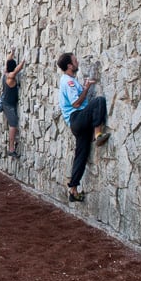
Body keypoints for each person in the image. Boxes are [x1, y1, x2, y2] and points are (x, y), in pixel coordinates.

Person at [57, 52, 109, 202]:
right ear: (69, 65)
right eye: (75, 60)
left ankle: (73, 190)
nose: (77, 62)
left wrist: (84, 87)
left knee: (81, 155)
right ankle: (98, 134)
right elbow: (76, 103)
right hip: (77, 118)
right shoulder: (68, 82)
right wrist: (86, 89)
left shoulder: (69, 80)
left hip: (77, 123)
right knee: (99, 101)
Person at [2, 50, 26, 157]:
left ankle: (12, 147)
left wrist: (12, 53)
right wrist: (23, 61)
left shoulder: (5, 73)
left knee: (13, 124)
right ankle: (11, 149)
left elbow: (7, 61)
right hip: (9, 105)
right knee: (13, 125)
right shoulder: (10, 76)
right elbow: (17, 70)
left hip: (7, 103)